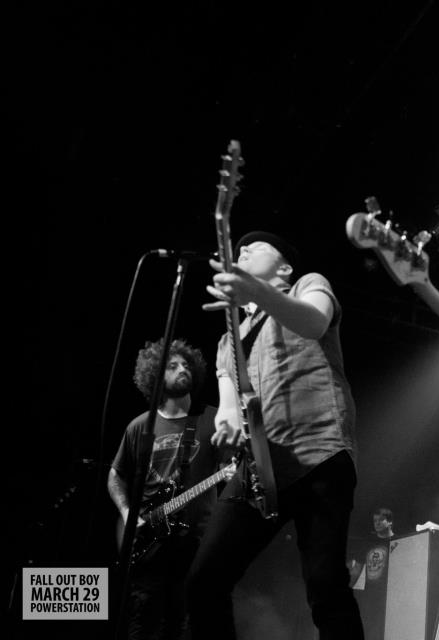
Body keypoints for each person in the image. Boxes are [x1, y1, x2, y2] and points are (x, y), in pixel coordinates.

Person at [185, 231, 362, 639]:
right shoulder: (228, 340)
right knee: (204, 581)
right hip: (260, 467)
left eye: (256, 247)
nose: (243, 250)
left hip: (319, 450)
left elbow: (314, 322)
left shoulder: (307, 285)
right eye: (240, 249)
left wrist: (257, 293)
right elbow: (229, 405)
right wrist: (227, 422)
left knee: (326, 587)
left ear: (284, 268)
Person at [108, 338, 228, 640]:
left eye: (186, 364)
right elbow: (115, 475)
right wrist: (127, 512)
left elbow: (234, 468)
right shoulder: (140, 426)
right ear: (154, 375)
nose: (182, 369)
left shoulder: (213, 419)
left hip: (196, 542)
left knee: (187, 621)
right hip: (147, 544)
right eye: (172, 366)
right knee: (143, 620)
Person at [348, 507, 395, 640]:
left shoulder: (398, 541)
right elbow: (356, 570)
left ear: (390, 522)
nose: (377, 523)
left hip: (390, 597)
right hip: (370, 596)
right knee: (368, 631)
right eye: (375, 521)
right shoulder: (368, 542)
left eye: (381, 520)